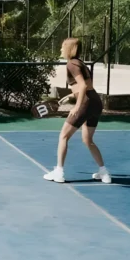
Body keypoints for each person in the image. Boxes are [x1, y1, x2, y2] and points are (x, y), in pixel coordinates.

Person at [43, 37, 111, 184]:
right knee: (88, 140)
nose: (61, 49)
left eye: (62, 47)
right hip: (95, 102)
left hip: (86, 103)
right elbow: (87, 85)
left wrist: (77, 106)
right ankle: (104, 173)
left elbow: (82, 86)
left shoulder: (71, 64)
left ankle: (59, 173)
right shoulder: (81, 64)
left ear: (68, 49)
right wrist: (70, 96)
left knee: (63, 136)